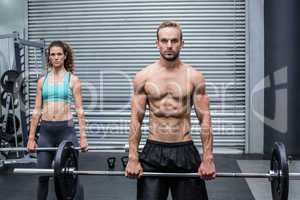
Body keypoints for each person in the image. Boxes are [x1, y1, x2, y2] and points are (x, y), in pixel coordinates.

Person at [125, 21, 216, 200]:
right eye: (164, 40)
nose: (169, 45)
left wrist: (208, 158)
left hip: (184, 151)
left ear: (182, 43)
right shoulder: (143, 77)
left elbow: (204, 118)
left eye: (174, 41)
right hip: (153, 151)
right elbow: (136, 119)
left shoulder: (194, 77)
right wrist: (133, 157)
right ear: (157, 43)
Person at [26, 40, 88, 200]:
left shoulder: (73, 80)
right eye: (53, 54)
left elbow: (80, 111)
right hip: (46, 133)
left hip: (66, 133)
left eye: (59, 54)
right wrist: (31, 138)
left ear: (65, 56)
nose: (56, 57)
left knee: (70, 177)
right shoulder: (42, 81)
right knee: (42, 177)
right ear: (49, 57)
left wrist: (83, 137)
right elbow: (37, 111)